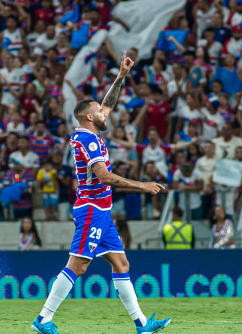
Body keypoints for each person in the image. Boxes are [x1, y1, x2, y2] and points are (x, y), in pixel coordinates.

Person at [32, 53, 170, 334]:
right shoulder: (87, 139)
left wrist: (121, 76)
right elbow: (104, 176)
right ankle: (43, 319)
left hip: (103, 211)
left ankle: (142, 324)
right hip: (92, 208)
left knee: (121, 263)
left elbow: (107, 103)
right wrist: (141, 185)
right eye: (99, 112)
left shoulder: (89, 131)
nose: (106, 113)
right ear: (88, 117)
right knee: (79, 266)